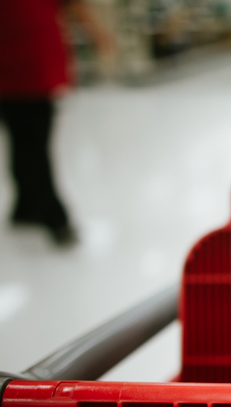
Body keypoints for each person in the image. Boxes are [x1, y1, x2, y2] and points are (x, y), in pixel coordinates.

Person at [0, 0, 113, 246]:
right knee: (31, 143)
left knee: (28, 140)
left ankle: (26, 206)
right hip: (17, 67)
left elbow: (73, 5)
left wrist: (96, 34)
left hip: (33, 66)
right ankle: (54, 217)